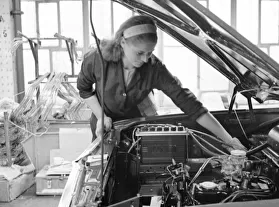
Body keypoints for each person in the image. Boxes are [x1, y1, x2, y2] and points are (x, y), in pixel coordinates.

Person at [77, 15, 245, 151]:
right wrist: (101, 116)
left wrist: (229, 141)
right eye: (140, 53)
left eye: (150, 53)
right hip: (103, 125)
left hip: (134, 128)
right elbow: (84, 89)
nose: (145, 59)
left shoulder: (155, 68)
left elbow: (190, 105)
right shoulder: (97, 59)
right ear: (122, 42)